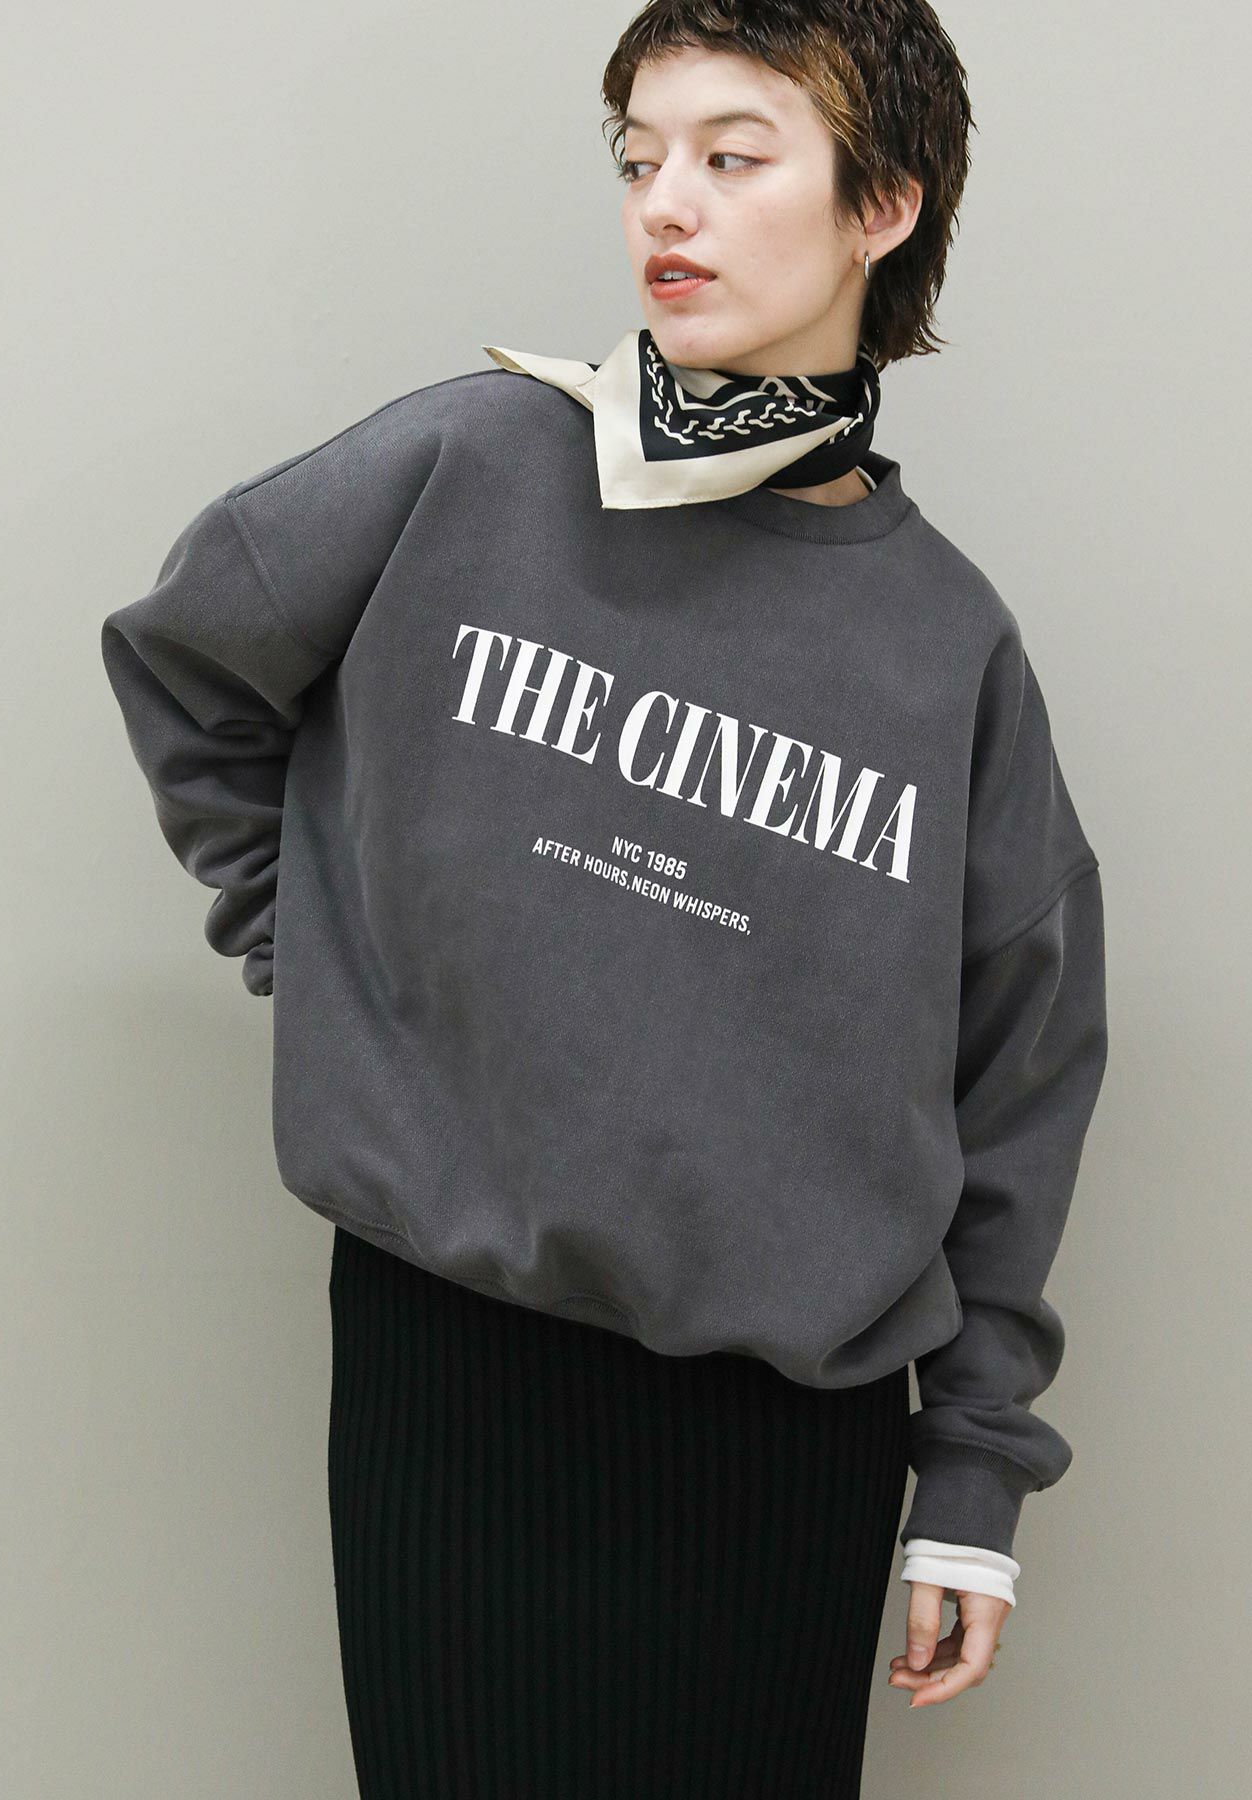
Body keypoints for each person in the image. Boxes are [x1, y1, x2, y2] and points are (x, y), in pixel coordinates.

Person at [100, 2, 1109, 1792]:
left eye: (734, 157)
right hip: (448, 1372)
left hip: (784, 1441)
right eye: (642, 158)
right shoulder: (471, 463)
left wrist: (971, 1475)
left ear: (883, 203)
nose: (668, 205)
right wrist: (324, 960)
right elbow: (192, 658)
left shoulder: (944, 645)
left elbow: (1019, 1073)